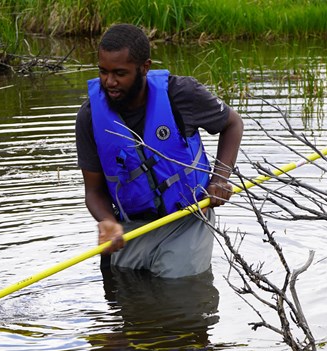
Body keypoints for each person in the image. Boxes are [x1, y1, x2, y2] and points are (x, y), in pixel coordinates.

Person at [75, 24, 243, 278]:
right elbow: (94, 191)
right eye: (103, 72)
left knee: (178, 295)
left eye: (120, 73)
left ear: (144, 67)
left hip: (187, 219)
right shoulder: (89, 117)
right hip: (130, 227)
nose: (109, 82)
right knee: (121, 297)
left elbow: (232, 123)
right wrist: (107, 221)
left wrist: (220, 179)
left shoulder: (181, 94)